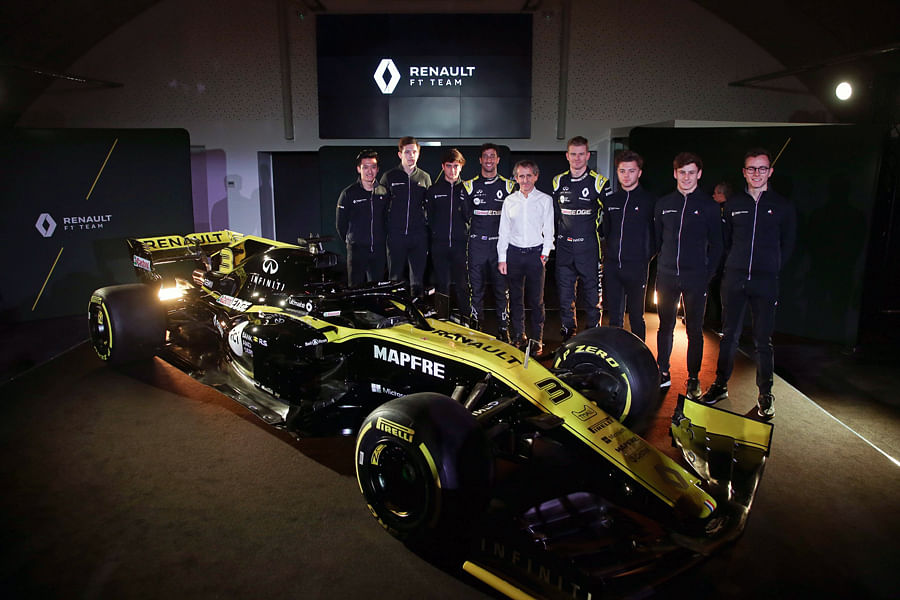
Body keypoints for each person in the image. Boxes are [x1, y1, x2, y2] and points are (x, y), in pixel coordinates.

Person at [700, 149, 796, 419]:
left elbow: (788, 244)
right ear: (744, 172)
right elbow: (726, 242)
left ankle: (765, 394)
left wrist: (772, 268)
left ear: (770, 172)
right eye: (752, 169)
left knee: (763, 341)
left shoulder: (782, 206)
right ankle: (720, 385)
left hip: (765, 283)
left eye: (762, 168)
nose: (757, 173)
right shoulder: (732, 204)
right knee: (729, 336)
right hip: (735, 279)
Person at [654, 152, 723, 397]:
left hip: (696, 278)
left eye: (691, 172)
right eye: (682, 172)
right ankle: (662, 370)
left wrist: (707, 274)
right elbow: (657, 239)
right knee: (665, 326)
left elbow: (718, 245)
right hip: (666, 275)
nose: (686, 177)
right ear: (675, 173)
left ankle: (693, 378)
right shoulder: (663, 204)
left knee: (695, 330)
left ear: (699, 174)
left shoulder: (709, 206)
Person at [551, 136, 608, 341]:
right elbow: (554, 215)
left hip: (589, 249)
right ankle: (568, 332)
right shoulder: (558, 181)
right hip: (564, 249)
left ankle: (594, 334)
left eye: (581, 154)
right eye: (573, 154)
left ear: (588, 156)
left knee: (592, 297)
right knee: (565, 296)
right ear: (567, 156)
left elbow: (609, 216)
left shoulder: (599, 182)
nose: (577, 158)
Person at [498, 160, 554, 354]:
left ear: (536, 176)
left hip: (535, 255)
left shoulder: (545, 200)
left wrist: (545, 254)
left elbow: (549, 229)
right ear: (516, 178)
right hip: (513, 255)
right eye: (521, 176)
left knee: (536, 300)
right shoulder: (509, 201)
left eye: (529, 175)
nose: (525, 180)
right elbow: (503, 231)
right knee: (515, 299)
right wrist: (502, 258)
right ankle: (518, 336)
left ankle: (537, 339)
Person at [601, 150, 656, 341]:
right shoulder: (611, 201)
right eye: (622, 171)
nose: (626, 175)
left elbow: (655, 235)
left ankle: (640, 358)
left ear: (639, 172)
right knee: (614, 317)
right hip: (613, 266)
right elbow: (606, 231)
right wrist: (608, 256)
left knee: (636, 317)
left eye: (631, 171)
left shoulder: (649, 201)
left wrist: (643, 258)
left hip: (636, 267)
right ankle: (615, 356)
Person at [463, 143, 515, 341]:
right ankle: (476, 327)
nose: (489, 160)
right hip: (476, 245)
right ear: (480, 160)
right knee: (476, 290)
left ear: (498, 160)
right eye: (485, 156)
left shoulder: (509, 186)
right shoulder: (469, 186)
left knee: (502, 290)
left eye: (492, 156)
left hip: (499, 247)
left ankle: (504, 329)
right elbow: (466, 215)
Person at [380, 136, 432, 297]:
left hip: (418, 237)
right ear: (400, 154)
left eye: (414, 152)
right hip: (396, 236)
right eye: (407, 152)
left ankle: (418, 314)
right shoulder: (389, 177)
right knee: (394, 278)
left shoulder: (424, 177)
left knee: (417, 280)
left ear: (418, 154)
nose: (411, 155)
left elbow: (430, 207)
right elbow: (380, 207)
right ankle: (395, 314)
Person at [426, 148, 469, 315]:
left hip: (460, 245)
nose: (453, 170)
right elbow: (429, 218)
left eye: (456, 166)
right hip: (440, 246)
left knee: (462, 285)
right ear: (443, 166)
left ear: (461, 167)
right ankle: (442, 319)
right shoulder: (433, 190)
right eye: (449, 166)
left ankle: (466, 320)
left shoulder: (466, 190)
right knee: (442, 285)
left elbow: (469, 217)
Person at [336, 149, 388, 286]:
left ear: (377, 170)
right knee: (355, 290)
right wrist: (352, 241)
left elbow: (387, 220)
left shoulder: (384, 192)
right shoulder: (348, 193)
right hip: (357, 252)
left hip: (378, 251)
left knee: (377, 292)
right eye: (365, 167)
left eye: (373, 167)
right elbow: (341, 225)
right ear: (359, 169)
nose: (369, 171)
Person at [705, 181, 733, 331]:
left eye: (716, 193)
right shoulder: (714, 210)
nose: (713, 196)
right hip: (716, 259)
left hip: (725, 261)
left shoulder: (728, 212)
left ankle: (722, 324)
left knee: (721, 293)